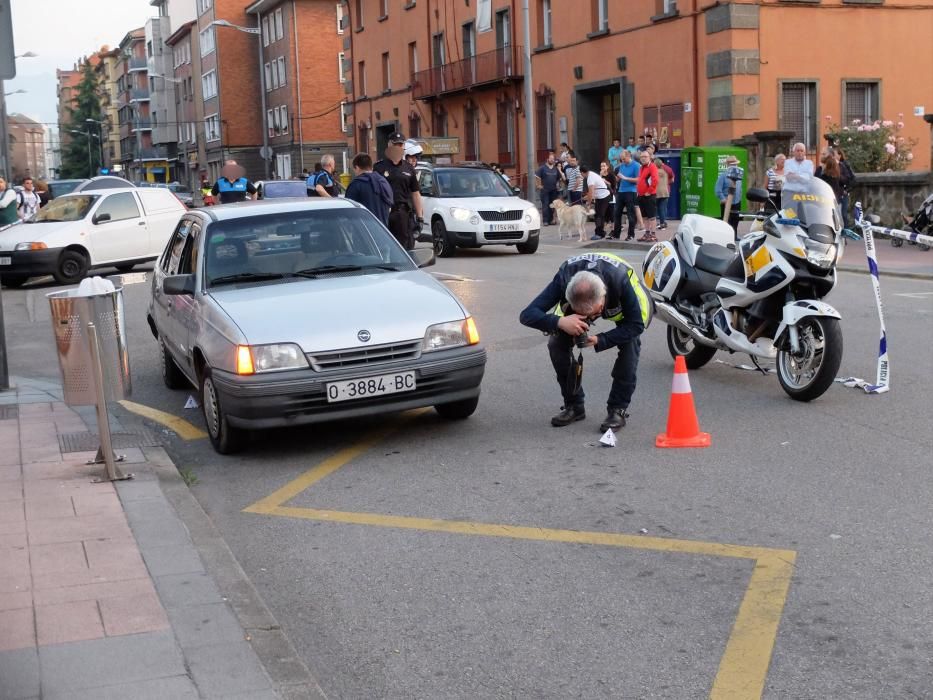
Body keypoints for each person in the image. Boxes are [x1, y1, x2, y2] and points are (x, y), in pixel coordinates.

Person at [519, 251, 649, 433]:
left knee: (630, 345)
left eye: (594, 313)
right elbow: (527, 315)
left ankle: (617, 410)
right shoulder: (564, 278)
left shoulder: (620, 281)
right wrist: (560, 322)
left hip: (627, 309)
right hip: (582, 299)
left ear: (603, 299)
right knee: (556, 344)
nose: (591, 319)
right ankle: (574, 405)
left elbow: (636, 325)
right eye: (585, 316)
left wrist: (601, 339)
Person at [373, 131, 424, 250]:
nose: (398, 148)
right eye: (395, 144)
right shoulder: (379, 167)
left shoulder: (408, 167)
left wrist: (420, 217)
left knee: (404, 248)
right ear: (389, 145)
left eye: (401, 145)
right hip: (384, 212)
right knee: (384, 247)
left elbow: (415, 193)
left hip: (402, 213)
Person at [345, 153, 394, 226]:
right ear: (371, 167)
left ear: (357, 167)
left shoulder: (356, 184)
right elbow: (390, 206)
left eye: (354, 169)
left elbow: (348, 211)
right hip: (383, 231)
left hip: (363, 232)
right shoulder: (384, 182)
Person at [611, 150, 640, 241]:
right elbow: (619, 178)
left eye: (624, 159)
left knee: (630, 214)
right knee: (616, 213)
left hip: (631, 192)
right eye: (621, 159)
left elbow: (638, 179)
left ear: (628, 156)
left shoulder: (636, 165)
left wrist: (625, 178)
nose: (622, 161)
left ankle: (631, 235)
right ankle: (616, 234)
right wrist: (617, 179)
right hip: (621, 191)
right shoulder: (622, 165)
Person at [581, 163, 612, 240]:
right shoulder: (592, 174)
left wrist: (588, 203)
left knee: (599, 215)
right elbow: (592, 192)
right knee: (599, 215)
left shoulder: (590, 178)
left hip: (603, 196)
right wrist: (587, 197)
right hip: (602, 196)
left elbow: (591, 192)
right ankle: (601, 232)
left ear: (582, 172)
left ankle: (599, 234)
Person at [715, 155, 743, 237]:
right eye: (733, 164)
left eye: (736, 164)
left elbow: (739, 188)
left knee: (736, 220)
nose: (735, 166)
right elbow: (717, 189)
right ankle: (726, 237)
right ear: (728, 165)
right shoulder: (723, 176)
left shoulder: (738, 175)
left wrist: (739, 198)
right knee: (726, 221)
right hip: (726, 202)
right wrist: (723, 199)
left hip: (737, 202)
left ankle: (734, 236)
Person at [535, 152, 564, 226]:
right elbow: (537, 177)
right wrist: (538, 185)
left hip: (554, 190)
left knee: (553, 205)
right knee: (545, 204)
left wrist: (559, 185)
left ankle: (551, 220)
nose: (552, 160)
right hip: (545, 190)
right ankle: (545, 221)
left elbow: (559, 178)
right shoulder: (542, 168)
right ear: (547, 159)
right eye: (551, 159)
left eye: (553, 159)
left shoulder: (555, 169)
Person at [636, 151, 659, 243]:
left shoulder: (652, 166)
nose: (643, 158)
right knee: (645, 216)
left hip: (649, 195)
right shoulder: (641, 167)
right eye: (641, 157)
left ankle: (653, 235)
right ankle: (647, 233)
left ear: (649, 157)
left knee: (651, 216)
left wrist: (649, 191)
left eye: (645, 156)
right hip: (641, 195)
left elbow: (655, 180)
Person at [835, 147, 856, 226]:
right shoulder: (831, 164)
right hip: (835, 192)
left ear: (839, 155)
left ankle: (846, 231)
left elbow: (852, 180)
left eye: (835, 154)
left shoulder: (844, 165)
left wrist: (846, 190)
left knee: (843, 214)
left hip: (843, 193)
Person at [654, 157, 674, 230]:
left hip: (656, 192)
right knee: (662, 208)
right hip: (665, 191)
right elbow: (672, 179)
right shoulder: (667, 169)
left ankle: (654, 223)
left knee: (654, 208)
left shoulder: (654, 171)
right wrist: (666, 183)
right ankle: (663, 223)